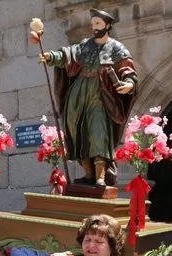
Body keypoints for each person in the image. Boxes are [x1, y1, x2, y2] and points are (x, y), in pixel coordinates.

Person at [39, 9, 137, 186]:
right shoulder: (86, 45)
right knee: (78, 132)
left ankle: (100, 177)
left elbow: (126, 67)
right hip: (78, 93)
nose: (95, 28)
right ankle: (88, 175)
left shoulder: (116, 48)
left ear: (107, 25)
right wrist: (51, 56)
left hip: (101, 94)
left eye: (98, 24)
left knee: (98, 131)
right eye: (93, 24)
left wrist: (129, 83)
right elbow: (68, 55)